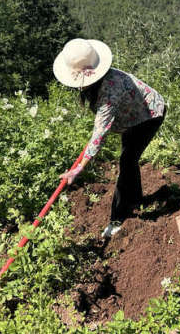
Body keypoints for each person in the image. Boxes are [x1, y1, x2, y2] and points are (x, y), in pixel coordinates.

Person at [53, 38, 166, 238]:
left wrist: (79, 167)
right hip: (132, 117)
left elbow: (100, 132)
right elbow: (100, 125)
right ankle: (136, 199)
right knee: (129, 160)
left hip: (149, 114)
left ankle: (117, 219)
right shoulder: (98, 84)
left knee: (127, 161)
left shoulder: (109, 89)